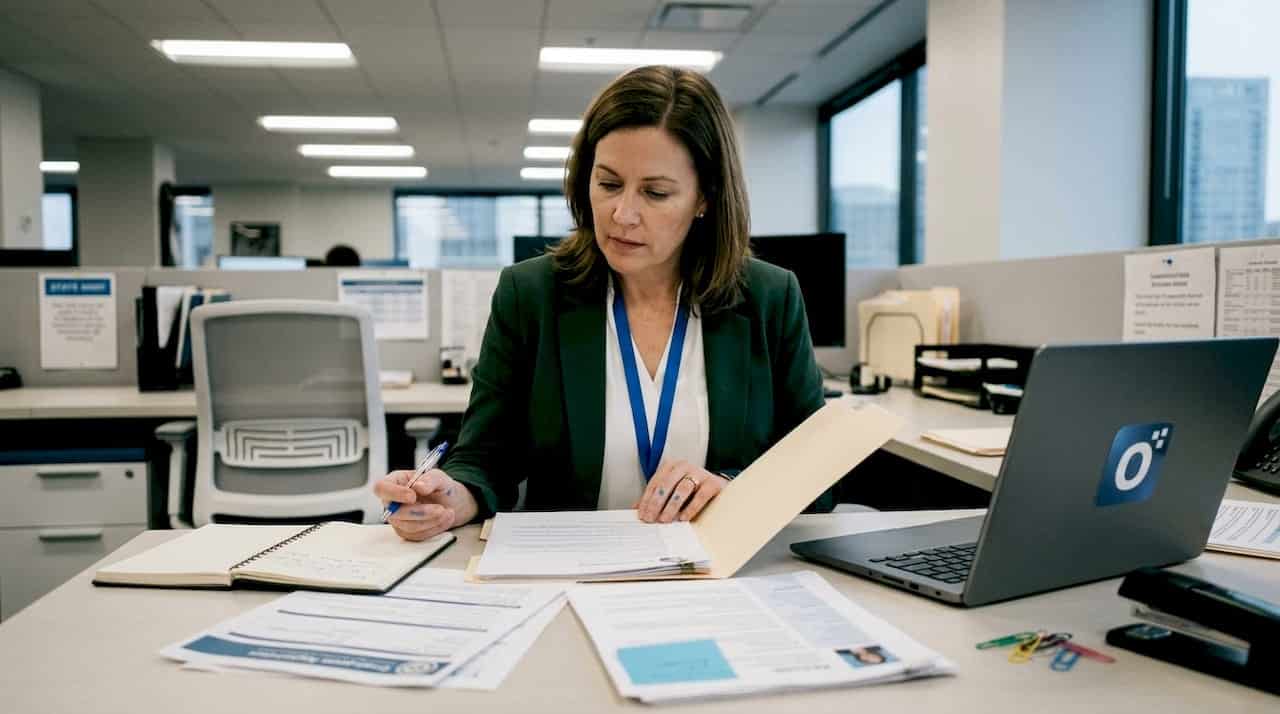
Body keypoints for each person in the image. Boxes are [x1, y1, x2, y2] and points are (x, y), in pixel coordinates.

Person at [374, 65, 828, 542]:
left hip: (720, 575)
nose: (623, 214)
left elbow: (821, 468)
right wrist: (450, 497)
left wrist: (732, 489)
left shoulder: (769, 298)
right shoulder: (531, 295)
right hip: (571, 573)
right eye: (608, 184)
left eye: (655, 193)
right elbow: (485, 456)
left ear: (705, 199)